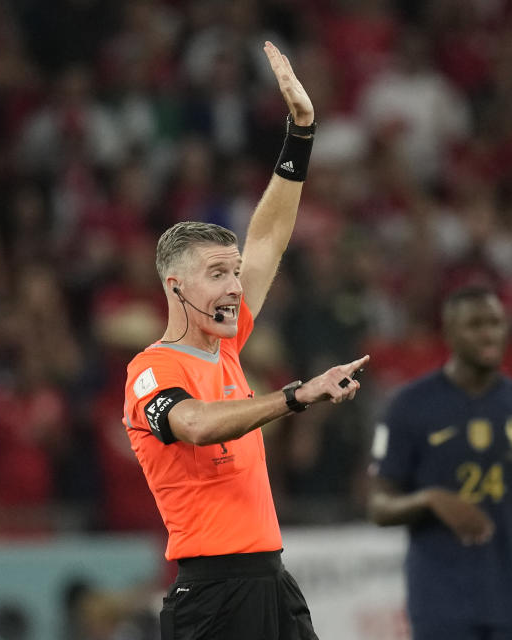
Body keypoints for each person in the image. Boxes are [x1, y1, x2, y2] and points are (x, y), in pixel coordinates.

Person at [122, 42, 368, 640]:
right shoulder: (150, 372)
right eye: (217, 274)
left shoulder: (225, 348)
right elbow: (198, 425)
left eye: (234, 273)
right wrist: (294, 398)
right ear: (175, 287)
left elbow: (269, 235)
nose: (236, 285)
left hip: (270, 581)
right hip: (213, 593)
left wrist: (301, 133)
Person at [367, 285, 512, 640]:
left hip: (506, 600)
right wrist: (429, 499)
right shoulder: (408, 406)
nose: (489, 333)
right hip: (438, 601)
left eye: (495, 323)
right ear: (449, 334)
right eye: (475, 324)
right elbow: (378, 505)